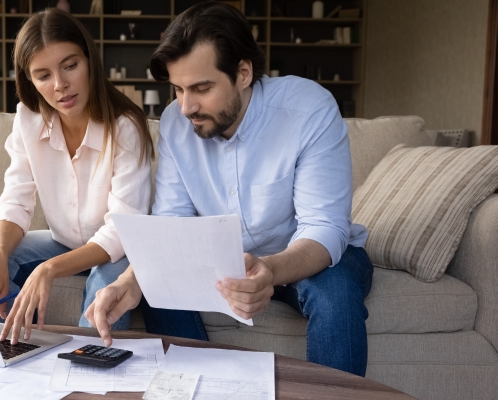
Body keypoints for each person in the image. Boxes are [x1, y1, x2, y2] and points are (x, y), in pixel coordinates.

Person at [85, 2, 373, 377]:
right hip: (225, 262)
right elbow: (172, 226)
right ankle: (207, 385)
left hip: (309, 255)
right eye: (178, 89)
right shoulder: (176, 122)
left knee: (335, 296)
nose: (186, 106)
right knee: (157, 292)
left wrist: (269, 268)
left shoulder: (308, 109)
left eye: (202, 88)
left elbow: (324, 229)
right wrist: (130, 280)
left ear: (243, 72)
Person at [0, 8, 153, 346]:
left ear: (90, 60)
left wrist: (49, 269)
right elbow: (15, 200)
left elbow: (121, 230)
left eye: (70, 66)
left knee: (105, 282)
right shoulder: (28, 119)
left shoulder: (125, 126)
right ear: (30, 81)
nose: (60, 85)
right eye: (43, 75)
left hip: (116, 251)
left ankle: (87, 363)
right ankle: (15, 346)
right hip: (63, 241)